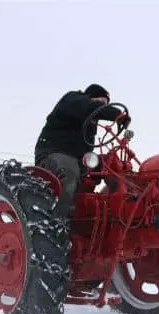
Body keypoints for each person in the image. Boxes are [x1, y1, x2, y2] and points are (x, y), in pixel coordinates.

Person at [34, 83, 130, 218]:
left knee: (110, 165)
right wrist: (116, 114)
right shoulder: (73, 99)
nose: (101, 108)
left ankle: (120, 214)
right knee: (70, 170)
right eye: (100, 103)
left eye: (105, 104)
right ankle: (57, 220)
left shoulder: (90, 126)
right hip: (52, 153)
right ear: (89, 98)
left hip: (79, 159)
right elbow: (89, 107)